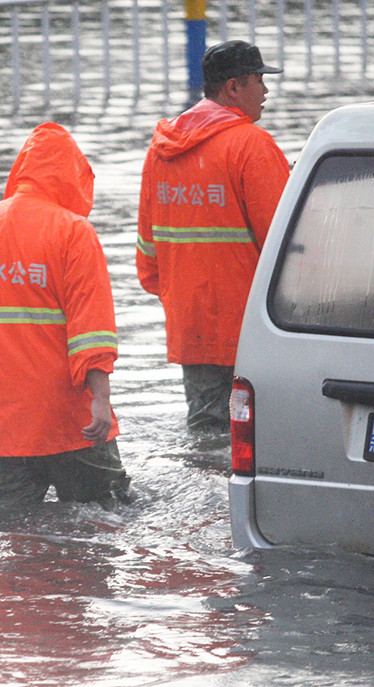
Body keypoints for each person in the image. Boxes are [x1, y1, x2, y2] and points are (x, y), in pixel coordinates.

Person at [0, 122, 132, 507]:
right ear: (74, 176)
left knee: (0, 539)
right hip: (63, 422)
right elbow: (92, 330)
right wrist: (100, 400)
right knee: (106, 517)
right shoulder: (73, 231)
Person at [136, 40, 291, 432]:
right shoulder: (252, 146)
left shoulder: (161, 151)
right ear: (234, 87)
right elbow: (284, 246)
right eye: (259, 80)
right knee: (258, 441)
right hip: (252, 330)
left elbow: (147, 257)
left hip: (192, 328)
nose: (266, 91)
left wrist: (187, 299)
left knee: (207, 437)